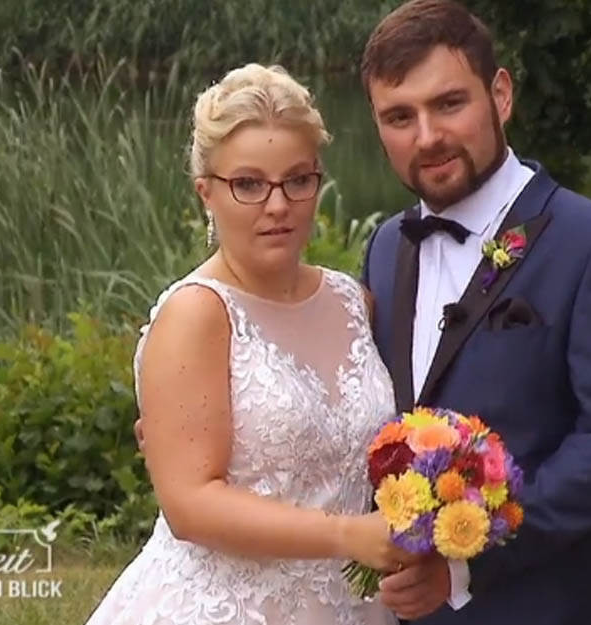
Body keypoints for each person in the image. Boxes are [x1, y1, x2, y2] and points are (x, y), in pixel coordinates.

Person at [358, 1, 591, 624]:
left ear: (500, 95)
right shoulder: (387, 246)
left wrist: (469, 560)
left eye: (449, 104)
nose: (427, 137)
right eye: (399, 116)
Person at [83, 62, 416, 625]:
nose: (278, 204)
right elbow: (190, 505)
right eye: (249, 184)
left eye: (298, 180)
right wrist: (347, 535)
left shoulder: (352, 302)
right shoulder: (197, 314)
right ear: (206, 193)